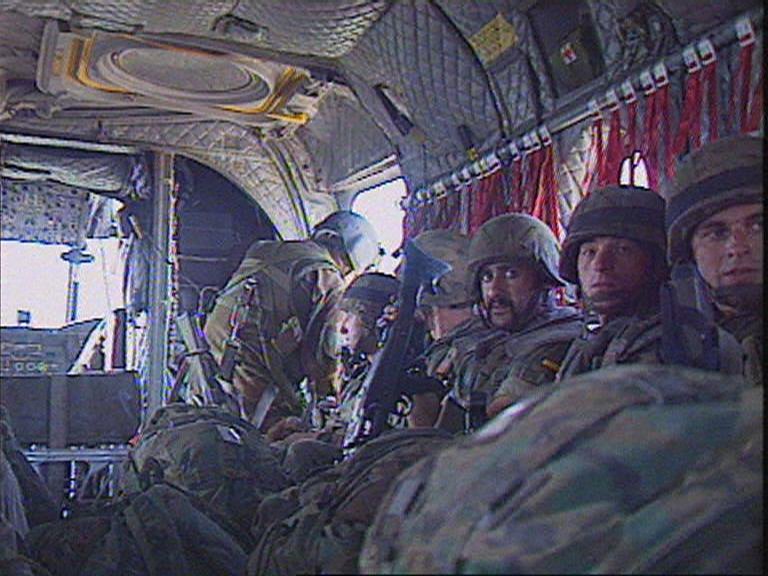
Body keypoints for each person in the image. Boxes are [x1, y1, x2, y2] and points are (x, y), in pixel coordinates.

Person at [203, 210, 380, 431]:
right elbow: (324, 360)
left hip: (207, 368)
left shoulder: (265, 250)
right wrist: (334, 401)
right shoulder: (325, 277)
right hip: (252, 392)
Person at [554, 185, 743, 380]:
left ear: (656, 263)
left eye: (622, 250)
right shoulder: (597, 338)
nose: (600, 265)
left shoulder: (672, 343)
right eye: (589, 252)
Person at [438, 213, 582, 429]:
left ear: (544, 280)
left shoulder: (559, 341)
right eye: (487, 277)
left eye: (511, 274)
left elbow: (502, 419)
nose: (494, 291)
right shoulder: (486, 342)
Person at [666, 135, 763, 386]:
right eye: (717, 233)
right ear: (690, 252)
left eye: (758, 226)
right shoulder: (667, 348)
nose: (737, 248)